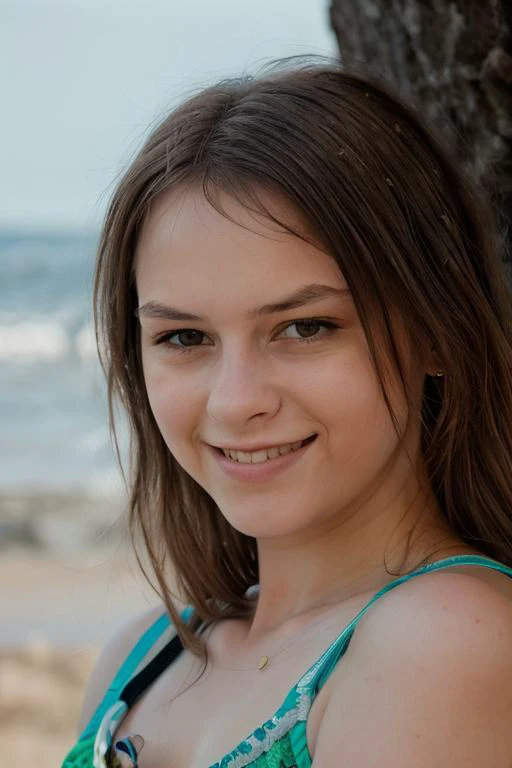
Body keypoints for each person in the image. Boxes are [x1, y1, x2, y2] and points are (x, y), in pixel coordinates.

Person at [62, 57, 512, 768]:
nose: (237, 400)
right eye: (184, 338)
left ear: (435, 330)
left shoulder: (446, 640)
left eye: (305, 327)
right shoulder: (141, 657)